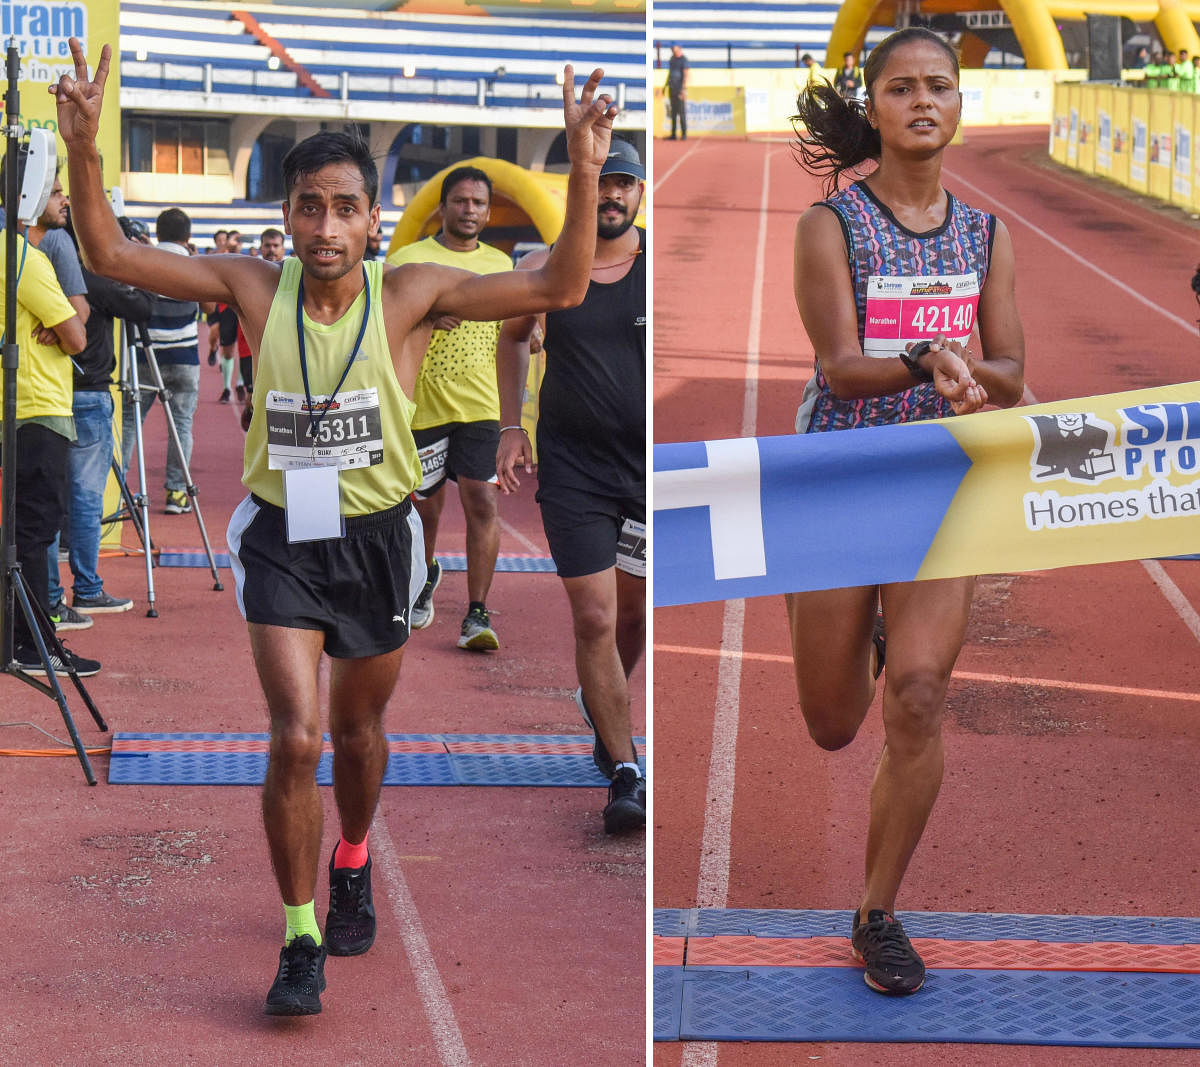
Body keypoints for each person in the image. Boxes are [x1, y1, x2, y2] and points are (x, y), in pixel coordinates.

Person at [55, 36, 617, 1016]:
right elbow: (107, 253)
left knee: (357, 733)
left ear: (373, 222)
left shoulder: (413, 296)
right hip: (284, 535)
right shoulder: (250, 286)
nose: (325, 225)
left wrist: (587, 165)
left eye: (345, 207)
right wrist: (83, 155)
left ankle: (352, 853)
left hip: (376, 538)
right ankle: (300, 933)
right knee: (296, 732)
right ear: (287, 214)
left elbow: (559, 288)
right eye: (309, 204)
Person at [788, 26, 1025, 995]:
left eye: (941, 87)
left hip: (937, 477)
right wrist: (933, 360)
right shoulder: (829, 225)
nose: (924, 101)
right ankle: (834, 618)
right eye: (902, 88)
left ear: (961, 106)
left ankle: (877, 911)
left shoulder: (986, 234)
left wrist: (981, 386)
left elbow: (1012, 367)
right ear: (873, 107)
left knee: (920, 696)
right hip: (843, 472)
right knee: (835, 722)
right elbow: (842, 368)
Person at [496, 137, 646, 834]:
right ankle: (624, 769)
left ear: (640, 194)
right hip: (574, 470)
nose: (612, 195)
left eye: (625, 184)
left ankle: (602, 701)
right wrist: (507, 425)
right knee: (594, 615)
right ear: (581, 191)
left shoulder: (658, 270)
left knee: (632, 619)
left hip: (649, 474)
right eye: (603, 183)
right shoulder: (547, 268)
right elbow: (511, 335)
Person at [388, 166, 513, 650]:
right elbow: (386, 323)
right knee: (424, 506)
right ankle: (426, 575)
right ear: (442, 207)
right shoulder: (407, 260)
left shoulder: (502, 265)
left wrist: (535, 332)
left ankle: (477, 612)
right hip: (420, 406)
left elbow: (518, 330)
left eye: (478, 203)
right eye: (460, 201)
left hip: (480, 405)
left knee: (482, 500)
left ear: (487, 211)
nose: (469, 210)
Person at [0, 148, 92, 674]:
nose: (63, 200)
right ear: (30, 196)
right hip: (38, 410)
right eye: (56, 191)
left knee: (20, 531)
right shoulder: (26, 259)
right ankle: (35, 647)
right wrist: (60, 330)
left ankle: (21, 642)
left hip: (17, 411)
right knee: (36, 533)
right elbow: (78, 336)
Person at [51, 217, 152, 619]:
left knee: (47, 497)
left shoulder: (43, 272)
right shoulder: (93, 281)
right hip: (90, 394)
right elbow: (143, 307)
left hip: (52, 394)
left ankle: (49, 595)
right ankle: (88, 589)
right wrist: (136, 261)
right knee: (86, 499)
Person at [120, 207, 213, 515]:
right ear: (187, 235)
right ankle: (176, 493)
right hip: (185, 356)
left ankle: (117, 489)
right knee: (181, 424)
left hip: (147, 353)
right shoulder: (194, 263)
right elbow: (210, 307)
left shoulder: (143, 259)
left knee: (130, 422)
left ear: (158, 233)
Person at [666, 43, 688, 140]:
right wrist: (665, 86)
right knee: (673, 113)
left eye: (675, 50)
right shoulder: (672, 59)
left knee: (681, 112)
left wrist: (683, 89)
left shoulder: (684, 60)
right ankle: (673, 134)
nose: (673, 52)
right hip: (672, 88)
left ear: (679, 50)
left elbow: (686, 75)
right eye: (672, 51)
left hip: (679, 89)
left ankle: (683, 134)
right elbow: (670, 73)